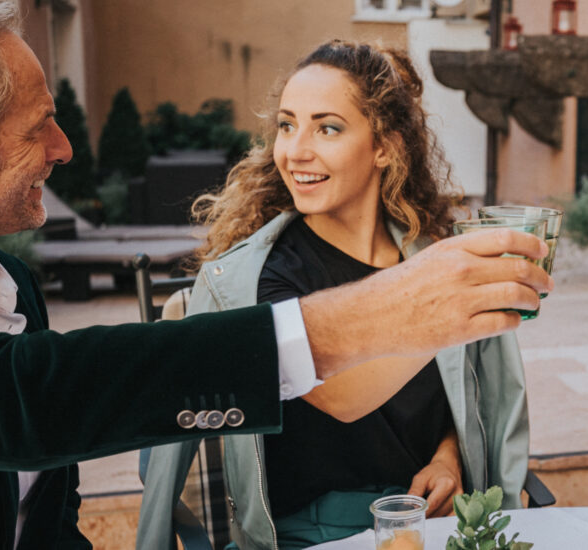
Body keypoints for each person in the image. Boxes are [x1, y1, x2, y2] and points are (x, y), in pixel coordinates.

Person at [0, 1, 550, 547]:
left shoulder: (3, 295)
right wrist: (375, 317)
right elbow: (0, 398)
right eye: (38, 123)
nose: (64, 147)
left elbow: (42, 523)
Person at [136, 41, 530, 548]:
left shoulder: (426, 259)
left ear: (384, 147)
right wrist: (460, 307)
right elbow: (342, 396)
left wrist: (448, 456)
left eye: (327, 127)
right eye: (286, 124)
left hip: (428, 528)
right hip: (307, 536)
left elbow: (465, 386)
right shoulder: (264, 276)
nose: (296, 150)